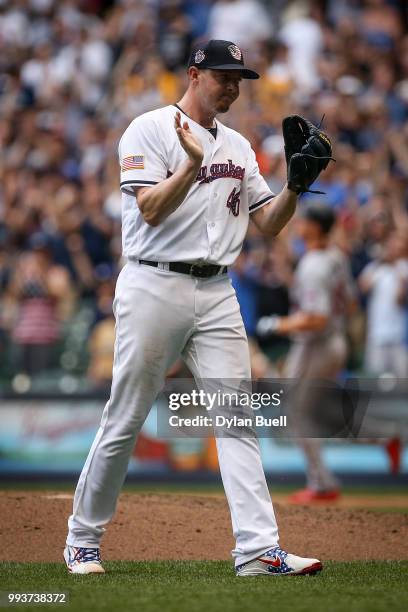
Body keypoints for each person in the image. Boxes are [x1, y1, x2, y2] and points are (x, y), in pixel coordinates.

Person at [64, 39, 325, 576]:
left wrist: (295, 186)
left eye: (239, 78)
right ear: (195, 74)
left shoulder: (239, 145)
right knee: (127, 416)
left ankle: (257, 550)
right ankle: (81, 540)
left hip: (216, 291)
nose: (232, 85)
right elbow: (151, 210)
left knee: (236, 418)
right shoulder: (149, 129)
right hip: (153, 283)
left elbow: (269, 223)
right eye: (224, 75)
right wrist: (188, 168)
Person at [257, 203, 356, 503]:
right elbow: (350, 304)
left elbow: (317, 318)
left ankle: (322, 483)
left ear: (316, 227)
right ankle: (324, 478)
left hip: (317, 344)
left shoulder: (315, 264)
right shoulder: (336, 256)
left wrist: (278, 324)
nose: (299, 224)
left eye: (305, 221)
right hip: (333, 341)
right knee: (304, 411)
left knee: (296, 413)